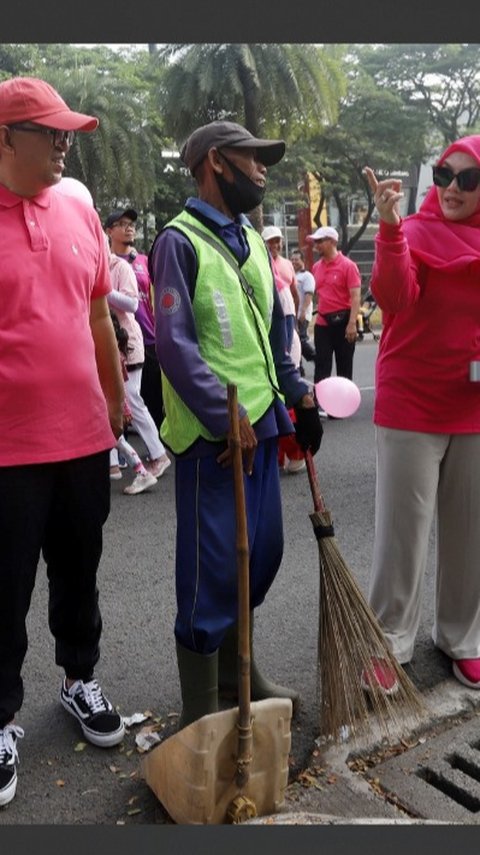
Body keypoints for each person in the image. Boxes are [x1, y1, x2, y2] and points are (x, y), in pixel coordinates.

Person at [149, 119, 323, 727]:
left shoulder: (249, 237)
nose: (263, 169)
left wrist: (297, 394)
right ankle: (201, 715)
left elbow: (273, 328)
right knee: (210, 572)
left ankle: (237, 673)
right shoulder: (178, 240)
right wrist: (224, 416)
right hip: (214, 439)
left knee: (261, 555)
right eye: (253, 159)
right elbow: (174, 344)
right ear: (217, 162)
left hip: (263, 425)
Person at [0, 76, 126, 806]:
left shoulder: (78, 205)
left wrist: (112, 399)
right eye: (49, 133)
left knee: (80, 571)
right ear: (5, 138)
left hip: (80, 441)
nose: (62, 145)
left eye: (67, 133)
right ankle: (1, 714)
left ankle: (80, 677)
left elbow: (99, 316)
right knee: (3, 588)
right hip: (8, 452)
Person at [364, 135, 480, 694]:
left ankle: (463, 638)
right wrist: (388, 228)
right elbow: (394, 298)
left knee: (470, 533)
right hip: (411, 402)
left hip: (475, 409)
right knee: (401, 535)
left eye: (468, 178)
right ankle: (389, 641)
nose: (452, 188)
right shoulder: (411, 231)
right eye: (443, 175)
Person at [105, 224, 171, 481]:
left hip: (128, 343)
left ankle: (158, 454)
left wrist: (104, 291)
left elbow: (132, 303)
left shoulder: (120, 267)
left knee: (131, 400)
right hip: (108, 343)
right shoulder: (96, 266)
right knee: (108, 400)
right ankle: (112, 463)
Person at [105, 207, 164, 429]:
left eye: (131, 224)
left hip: (148, 339)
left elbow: (155, 296)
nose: (129, 228)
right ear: (109, 231)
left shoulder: (143, 261)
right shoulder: (105, 263)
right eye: (122, 224)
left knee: (151, 399)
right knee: (122, 399)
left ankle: (159, 452)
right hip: (117, 340)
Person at [109, 312, 158, 496]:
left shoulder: (113, 356)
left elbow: (120, 387)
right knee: (115, 441)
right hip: (111, 407)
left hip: (110, 408)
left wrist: (125, 410)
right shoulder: (115, 354)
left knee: (118, 441)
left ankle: (142, 472)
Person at [308, 225, 361, 384]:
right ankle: (318, 405)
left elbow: (356, 297)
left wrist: (352, 324)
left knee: (344, 368)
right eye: (315, 242)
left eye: (319, 241)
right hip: (323, 324)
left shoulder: (348, 266)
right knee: (322, 367)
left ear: (332, 242)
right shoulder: (316, 267)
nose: (316, 245)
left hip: (344, 323)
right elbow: (316, 294)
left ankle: (342, 407)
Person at [261, 225, 299, 355]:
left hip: (288, 314)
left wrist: (296, 320)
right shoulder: (260, 263)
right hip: (270, 316)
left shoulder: (288, 264)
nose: (274, 245)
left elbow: (295, 293)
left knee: (286, 353)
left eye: (277, 241)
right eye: (270, 242)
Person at [290, 248, 316, 367]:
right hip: (292, 313)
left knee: (301, 339)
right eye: (292, 259)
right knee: (294, 341)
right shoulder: (292, 275)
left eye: (296, 259)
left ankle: (316, 357)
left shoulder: (307, 276)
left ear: (302, 260)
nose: (294, 261)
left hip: (302, 313)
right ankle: (298, 367)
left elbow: (309, 294)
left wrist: (303, 311)